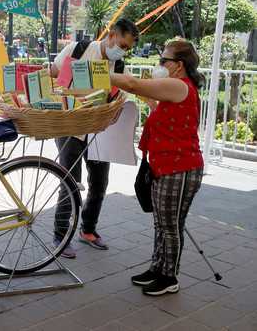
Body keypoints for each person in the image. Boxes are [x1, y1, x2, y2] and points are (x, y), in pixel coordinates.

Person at [110, 39, 204, 296]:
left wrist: (104, 75)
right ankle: (157, 268)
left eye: (164, 60)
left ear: (178, 66)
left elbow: (133, 84)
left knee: (170, 226)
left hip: (180, 167)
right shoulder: (175, 88)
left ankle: (169, 276)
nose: (159, 64)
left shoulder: (179, 85)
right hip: (165, 166)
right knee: (162, 223)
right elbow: (147, 96)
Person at [50, 18, 139, 258]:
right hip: (70, 125)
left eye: (127, 48)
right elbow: (54, 73)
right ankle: (60, 235)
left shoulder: (118, 67)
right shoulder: (79, 49)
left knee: (99, 182)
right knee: (69, 181)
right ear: (110, 35)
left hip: (100, 131)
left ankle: (88, 229)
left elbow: (129, 89)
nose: (122, 51)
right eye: (121, 44)